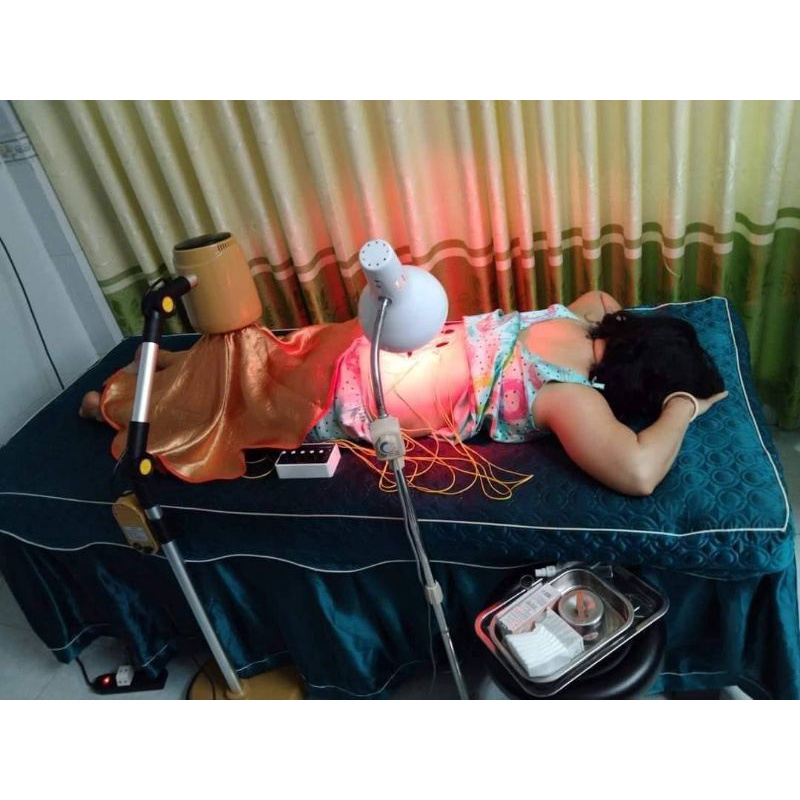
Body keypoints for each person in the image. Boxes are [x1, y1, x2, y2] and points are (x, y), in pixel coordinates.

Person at [80, 290, 727, 495]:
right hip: (359, 397)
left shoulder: (581, 314)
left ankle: (167, 367)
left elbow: (614, 303)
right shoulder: (571, 397)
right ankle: (112, 404)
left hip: (361, 343)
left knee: (265, 363)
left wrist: (662, 351)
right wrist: (683, 405)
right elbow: (639, 472)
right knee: (239, 410)